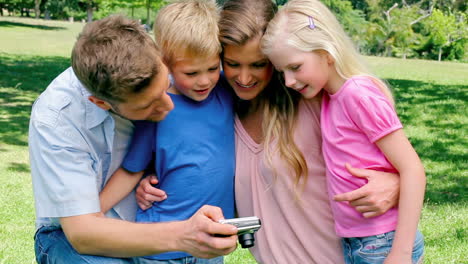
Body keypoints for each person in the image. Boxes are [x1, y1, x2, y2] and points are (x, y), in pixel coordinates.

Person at [137, 0, 401, 263]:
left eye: (258, 64)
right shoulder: (218, 108)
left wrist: (396, 182)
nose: (244, 77)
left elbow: (390, 151)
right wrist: (151, 176)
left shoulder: (313, 102)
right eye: (232, 63)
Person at [28, 15, 238, 264]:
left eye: (164, 88)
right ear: (102, 103)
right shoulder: (57, 120)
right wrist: (184, 235)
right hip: (77, 237)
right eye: (148, 106)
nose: (168, 106)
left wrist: (153, 173)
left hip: (149, 218)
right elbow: (82, 233)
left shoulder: (165, 67)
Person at [261, 0, 426, 263]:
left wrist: (401, 253)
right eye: (282, 72)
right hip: (358, 242)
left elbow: (413, 169)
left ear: (327, 52)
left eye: (295, 67)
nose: (289, 81)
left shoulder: (358, 94)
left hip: (382, 242)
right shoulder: (330, 98)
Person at [99, 1, 235, 263]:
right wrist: (92, 214)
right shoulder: (157, 109)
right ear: (165, 63)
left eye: (211, 68)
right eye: (191, 72)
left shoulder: (227, 92)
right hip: (159, 247)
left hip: (210, 242)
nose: (204, 80)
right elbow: (131, 170)